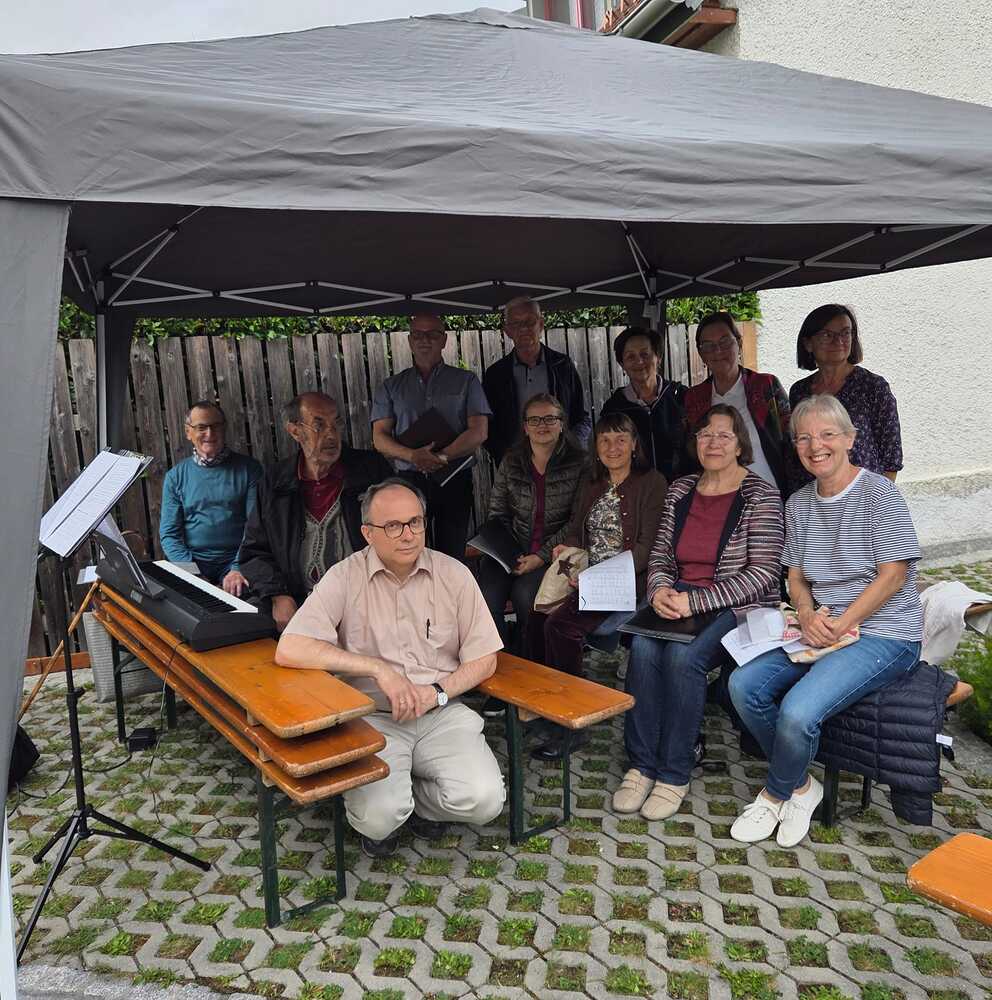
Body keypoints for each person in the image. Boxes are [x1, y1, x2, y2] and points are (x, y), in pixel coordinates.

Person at [728, 395, 923, 848]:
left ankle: (774, 794)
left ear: (850, 439)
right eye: (804, 438)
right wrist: (806, 613)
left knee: (798, 711)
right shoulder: (799, 504)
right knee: (743, 686)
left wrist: (840, 623)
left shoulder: (880, 494)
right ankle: (802, 786)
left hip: (883, 633)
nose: (816, 446)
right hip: (822, 626)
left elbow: (893, 575)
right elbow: (795, 577)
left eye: (827, 435)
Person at [275, 479, 506, 857]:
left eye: (415, 522)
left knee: (485, 800)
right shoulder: (344, 576)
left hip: (439, 712)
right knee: (379, 820)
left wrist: (437, 692)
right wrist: (377, 669)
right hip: (372, 718)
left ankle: (416, 802)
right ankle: (393, 804)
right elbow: (291, 647)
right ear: (368, 533)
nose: (408, 535)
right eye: (393, 526)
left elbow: (485, 657)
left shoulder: (454, 574)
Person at [613, 404, 785, 821]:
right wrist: (659, 590)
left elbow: (763, 573)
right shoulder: (681, 490)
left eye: (724, 435)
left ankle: (674, 771)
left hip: (735, 604)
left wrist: (696, 601)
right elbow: (660, 555)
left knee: (682, 657)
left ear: (740, 444)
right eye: (705, 434)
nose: (713, 443)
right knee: (643, 648)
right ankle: (642, 764)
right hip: (678, 596)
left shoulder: (760, 495)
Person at [526, 412, 667, 759]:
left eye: (621, 439)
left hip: (625, 579)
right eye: (605, 440)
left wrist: (599, 576)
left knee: (561, 627)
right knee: (536, 617)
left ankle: (574, 722)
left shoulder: (651, 482)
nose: (612, 447)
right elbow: (578, 529)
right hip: (586, 573)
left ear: (634, 445)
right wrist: (567, 549)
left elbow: (647, 547)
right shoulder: (593, 482)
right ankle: (548, 704)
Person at [238, 392, 390, 631]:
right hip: (298, 605)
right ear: (295, 431)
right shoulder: (275, 482)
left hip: (366, 605)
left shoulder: (371, 471)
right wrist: (278, 595)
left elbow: (399, 534)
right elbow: (254, 551)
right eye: (319, 425)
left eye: (336, 423)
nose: (331, 434)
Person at [371, 313, 491, 559]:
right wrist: (413, 456)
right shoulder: (391, 386)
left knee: (452, 554)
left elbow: (479, 431)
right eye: (418, 335)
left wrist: (442, 457)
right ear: (409, 340)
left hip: (453, 478)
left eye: (432, 334)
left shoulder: (466, 381)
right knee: (409, 553)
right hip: (408, 482)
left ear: (444, 340)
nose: (424, 340)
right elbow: (379, 437)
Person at [477, 391, 586, 656]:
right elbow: (498, 513)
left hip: (555, 553)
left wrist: (540, 557)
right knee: (487, 594)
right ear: (525, 427)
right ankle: (500, 664)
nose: (542, 425)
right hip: (512, 551)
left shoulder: (579, 463)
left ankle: (533, 663)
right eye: (534, 420)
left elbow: (577, 520)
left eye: (550, 419)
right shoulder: (512, 461)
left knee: (526, 596)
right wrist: (507, 555)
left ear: (561, 424)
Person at [789, 304, 903, 488]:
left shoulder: (873, 386)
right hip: (812, 496)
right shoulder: (799, 391)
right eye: (827, 335)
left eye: (845, 333)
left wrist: (879, 497)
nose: (839, 341)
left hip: (863, 496)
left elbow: (891, 457)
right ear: (808, 343)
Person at [684, 312, 792, 497]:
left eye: (725, 342)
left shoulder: (765, 386)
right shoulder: (694, 398)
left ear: (739, 343)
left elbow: (791, 440)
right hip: (717, 500)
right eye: (708, 346)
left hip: (770, 496)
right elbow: (689, 454)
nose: (718, 351)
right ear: (701, 354)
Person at [159, 401, 262, 594]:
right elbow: (169, 535)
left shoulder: (249, 470)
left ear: (224, 429)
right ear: (188, 432)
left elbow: (255, 527)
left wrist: (237, 567)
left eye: (216, 426)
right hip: (192, 561)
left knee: (245, 599)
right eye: (201, 428)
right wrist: (193, 574)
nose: (209, 433)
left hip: (237, 560)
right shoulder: (175, 477)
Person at [482, 296, 591, 464]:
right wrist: (505, 457)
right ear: (507, 331)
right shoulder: (495, 375)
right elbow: (487, 426)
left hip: (561, 463)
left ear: (541, 324)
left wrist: (571, 450)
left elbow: (581, 417)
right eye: (516, 324)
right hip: (517, 466)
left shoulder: (563, 366)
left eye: (529, 321)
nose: (523, 328)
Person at [600, 326, 686, 482]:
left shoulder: (680, 396)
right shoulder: (614, 408)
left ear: (658, 358)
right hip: (637, 491)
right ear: (622, 364)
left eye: (645, 354)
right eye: (630, 356)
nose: (639, 361)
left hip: (681, 488)